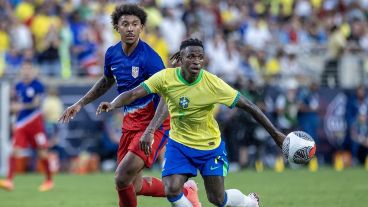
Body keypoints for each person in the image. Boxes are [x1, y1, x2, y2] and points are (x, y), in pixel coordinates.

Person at [96, 38, 286, 207]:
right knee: (171, 190)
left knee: (218, 199)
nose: (196, 61)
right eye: (191, 57)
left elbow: (249, 106)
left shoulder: (213, 83)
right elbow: (134, 93)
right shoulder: (166, 77)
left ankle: (248, 202)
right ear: (181, 58)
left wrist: (276, 134)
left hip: (209, 147)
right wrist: (112, 104)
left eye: (200, 57)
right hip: (179, 145)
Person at [59, 4, 200, 207]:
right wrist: (80, 103)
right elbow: (107, 80)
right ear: (117, 27)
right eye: (125, 24)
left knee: (120, 177)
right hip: (130, 124)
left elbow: (167, 96)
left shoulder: (150, 58)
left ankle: (184, 190)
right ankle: (186, 190)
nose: (130, 28)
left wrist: (151, 130)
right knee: (134, 185)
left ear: (141, 27)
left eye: (135, 24)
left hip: (154, 125)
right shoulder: (112, 53)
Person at [0, 62, 54, 192]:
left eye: (28, 69)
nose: (26, 71)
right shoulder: (18, 85)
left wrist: (21, 106)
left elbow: (36, 103)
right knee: (15, 150)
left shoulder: (38, 85)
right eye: (24, 69)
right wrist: (13, 108)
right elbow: (14, 101)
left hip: (35, 123)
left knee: (42, 152)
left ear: (33, 71)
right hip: (21, 124)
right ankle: (9, 180)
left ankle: (48, 180)